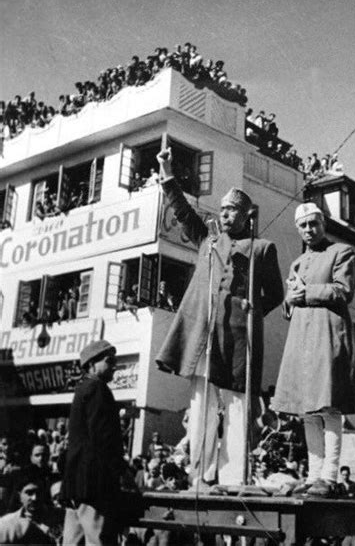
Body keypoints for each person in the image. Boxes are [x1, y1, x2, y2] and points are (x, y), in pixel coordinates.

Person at [155, 147, 284, 488]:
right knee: (201, 409)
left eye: (234, 212)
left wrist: (253, 312)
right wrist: (167, 171)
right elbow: (182, 211)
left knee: (239, 408)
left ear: (247, 216)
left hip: (240, 341)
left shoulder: (262, 248)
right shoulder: (208, 240)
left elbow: (276, 295)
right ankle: (199, 473)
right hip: (206, 337)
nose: (227, 216)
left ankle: (233, 476)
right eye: (224, 210)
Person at [272, 202, 355, 497]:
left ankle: (331, 475)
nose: (309, 230)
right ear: (298, 230)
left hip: (328, 334)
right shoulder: (297, 263)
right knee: (308, 412)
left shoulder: (340, 252)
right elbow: (289, 304)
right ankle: (313, 476)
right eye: (303, 226)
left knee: (329, 407)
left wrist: (306, 293)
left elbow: (343, 291)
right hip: (302, 338)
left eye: (314, 224)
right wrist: (290, 298)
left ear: (323, 224)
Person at [61, 339, 126, 545]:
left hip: (76, 486)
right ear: (92, 363)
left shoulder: (82, 389)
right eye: (109, 361)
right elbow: (103, 439)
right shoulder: (98, 389)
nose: (114, 365)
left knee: (73, 542)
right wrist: (121, 471)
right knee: (98, 540)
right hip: (94, 485)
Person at [0, 471, 56, 545]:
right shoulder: (7, 522)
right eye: (29, 493)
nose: (34, 498)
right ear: (19, 495)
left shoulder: (59, 517)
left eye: (38, 492)